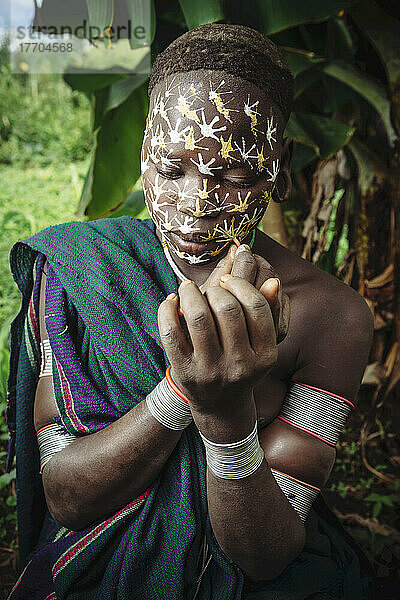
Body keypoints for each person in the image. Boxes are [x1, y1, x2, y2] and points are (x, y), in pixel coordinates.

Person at [5, 23, 377, 600]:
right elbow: (68, 497)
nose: (195, 203)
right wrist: (184, 393)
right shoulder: (85, 271)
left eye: (233, 175)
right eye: (172, 169)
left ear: (279, 169)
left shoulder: (332, 315)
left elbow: (266, 556)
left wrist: (227, 422)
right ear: (144, 158)